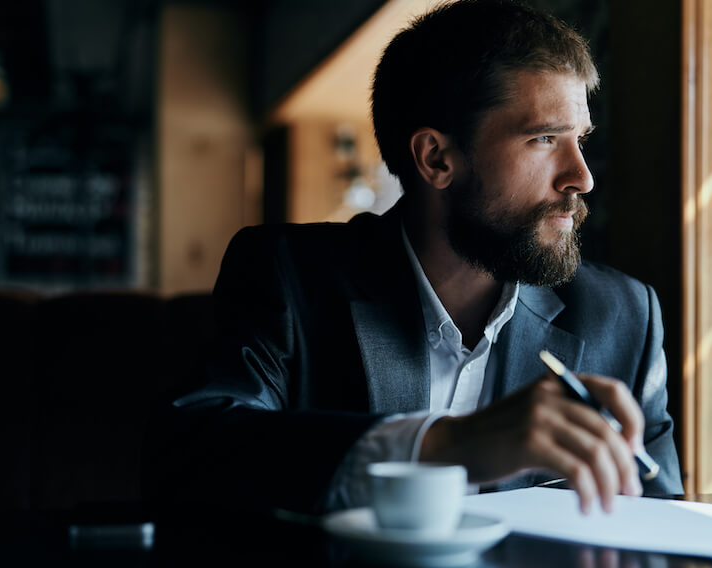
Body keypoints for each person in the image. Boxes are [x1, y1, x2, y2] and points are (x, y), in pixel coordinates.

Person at [144, 0, 683, 520]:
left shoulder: (624, 318)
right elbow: (194, 453)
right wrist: (450, 445)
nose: (582, 177)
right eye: (545, 138)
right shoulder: (290, 275)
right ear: (437, 158)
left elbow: (664, 530)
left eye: (580, 140)